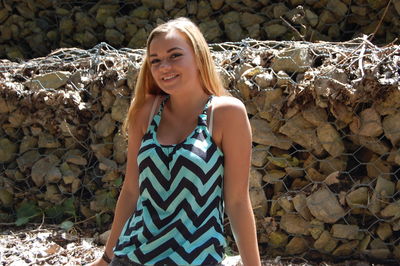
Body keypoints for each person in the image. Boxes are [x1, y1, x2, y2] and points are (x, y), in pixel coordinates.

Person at [89, 17, 260, 265]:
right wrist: (106, 258)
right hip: (133, 255)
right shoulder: (146, 112)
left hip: (196, 258)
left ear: (199, 56)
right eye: (155, 60)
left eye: (175, 55)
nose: (163, 67)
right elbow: (130, 190)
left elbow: (236, 201)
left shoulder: (226, 114)